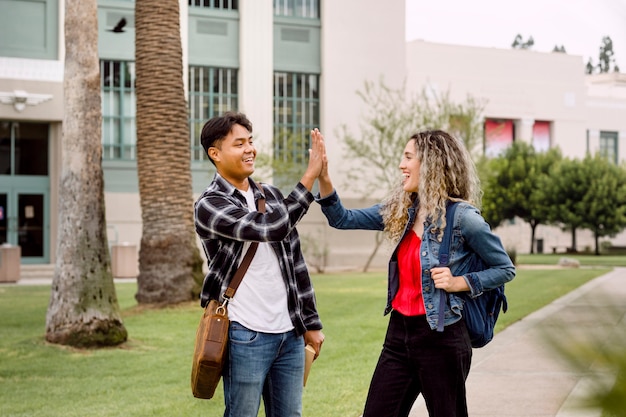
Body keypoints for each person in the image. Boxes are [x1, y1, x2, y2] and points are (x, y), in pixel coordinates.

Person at [316, 129, 515, 417]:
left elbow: (504, 268)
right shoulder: (402, 210)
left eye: (408, 157)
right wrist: (323, 177)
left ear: (431, 163)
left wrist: (460, 282)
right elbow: (342, 218)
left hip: (442, 336)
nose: (401, 164)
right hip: (399, 335)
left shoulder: (462, 218)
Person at [194, 111, 325, 417]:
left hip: (290, 335)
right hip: (245, 334)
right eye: (239, 144)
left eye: (250, 142)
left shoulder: (272, 195)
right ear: (215, 153)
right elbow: (270, 228)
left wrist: (311, 322)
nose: (249, 149)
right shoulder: (210, 205)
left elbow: (296, 265)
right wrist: (309, 177)